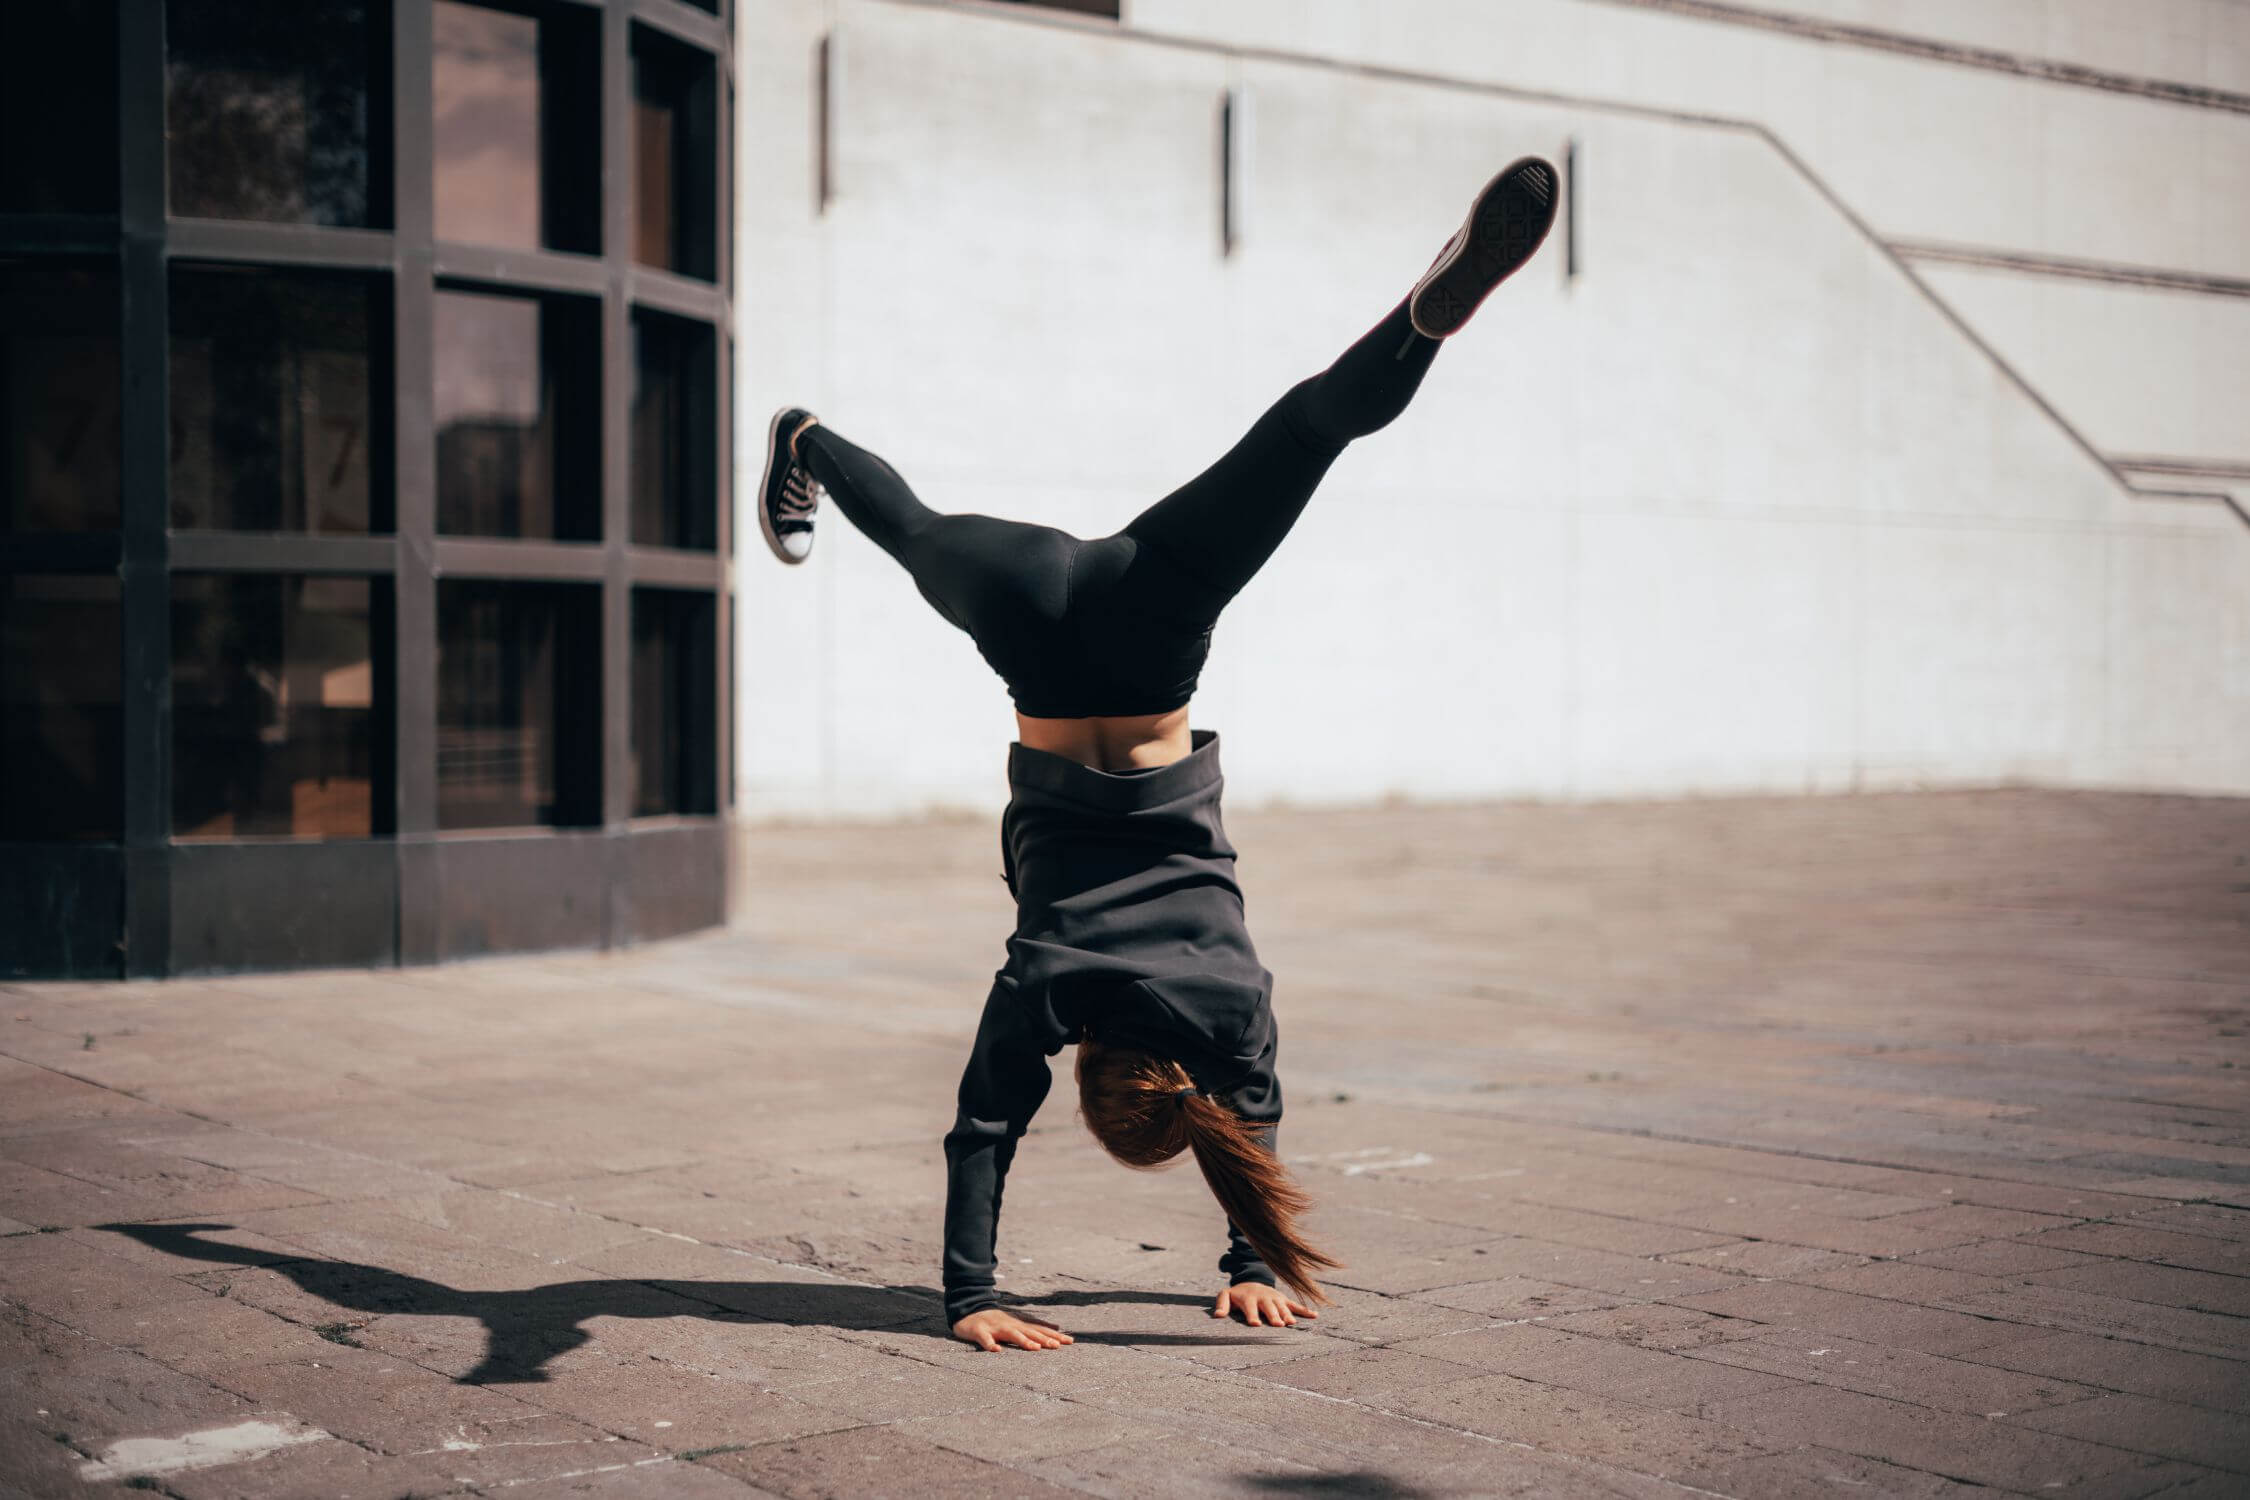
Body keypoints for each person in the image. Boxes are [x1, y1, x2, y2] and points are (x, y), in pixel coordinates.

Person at [755, 158, 1559, 1352]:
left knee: (1305, 435)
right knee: (915, 528)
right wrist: (970, 1296)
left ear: (1176, 1083)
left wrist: (1252, 1258)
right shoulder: (1049, 993)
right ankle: (806, 440)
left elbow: (1254, 1116)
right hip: (1031, 626)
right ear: (1085, 1073)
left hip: (1148, 630)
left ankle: (1415, 324)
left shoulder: (1231, 1012)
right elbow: (982, 1130)